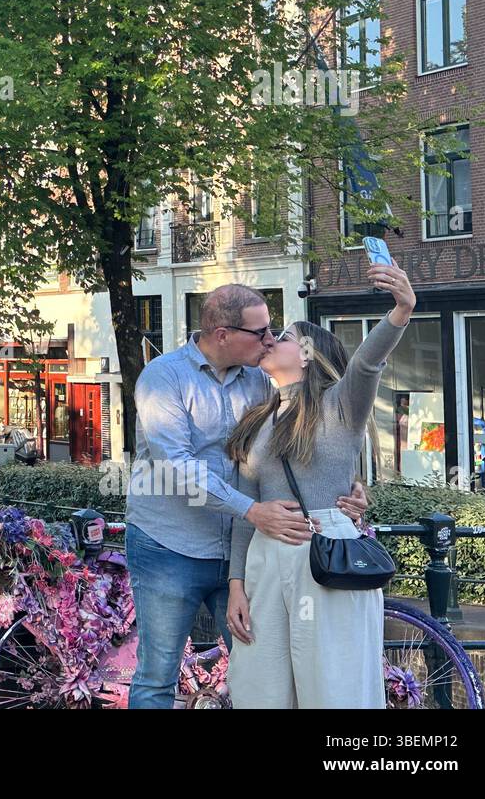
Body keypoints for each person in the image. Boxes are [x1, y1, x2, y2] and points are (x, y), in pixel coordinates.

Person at [124, 284, 368, 709]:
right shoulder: (163, 378)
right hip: (170, 547)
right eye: (260, 332)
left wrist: (349, 486)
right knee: (157, 676)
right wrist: (252, 510)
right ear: (223, 334)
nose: (270, 339)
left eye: (274, 331)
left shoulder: (261, 381)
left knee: (260, 671)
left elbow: (306, 440)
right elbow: (175, 463)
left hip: (245, 554)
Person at [225, 263, 414, 709]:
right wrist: (237, 585)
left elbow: (367, 363)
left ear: (309, 354)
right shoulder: (257, 419)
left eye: (284, 336)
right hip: (264, 558)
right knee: (259, 687)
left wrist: (402, 309)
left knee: (334, 686)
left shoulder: (340, 407)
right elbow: (246, 507)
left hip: (326, 555)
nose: (271, 340)